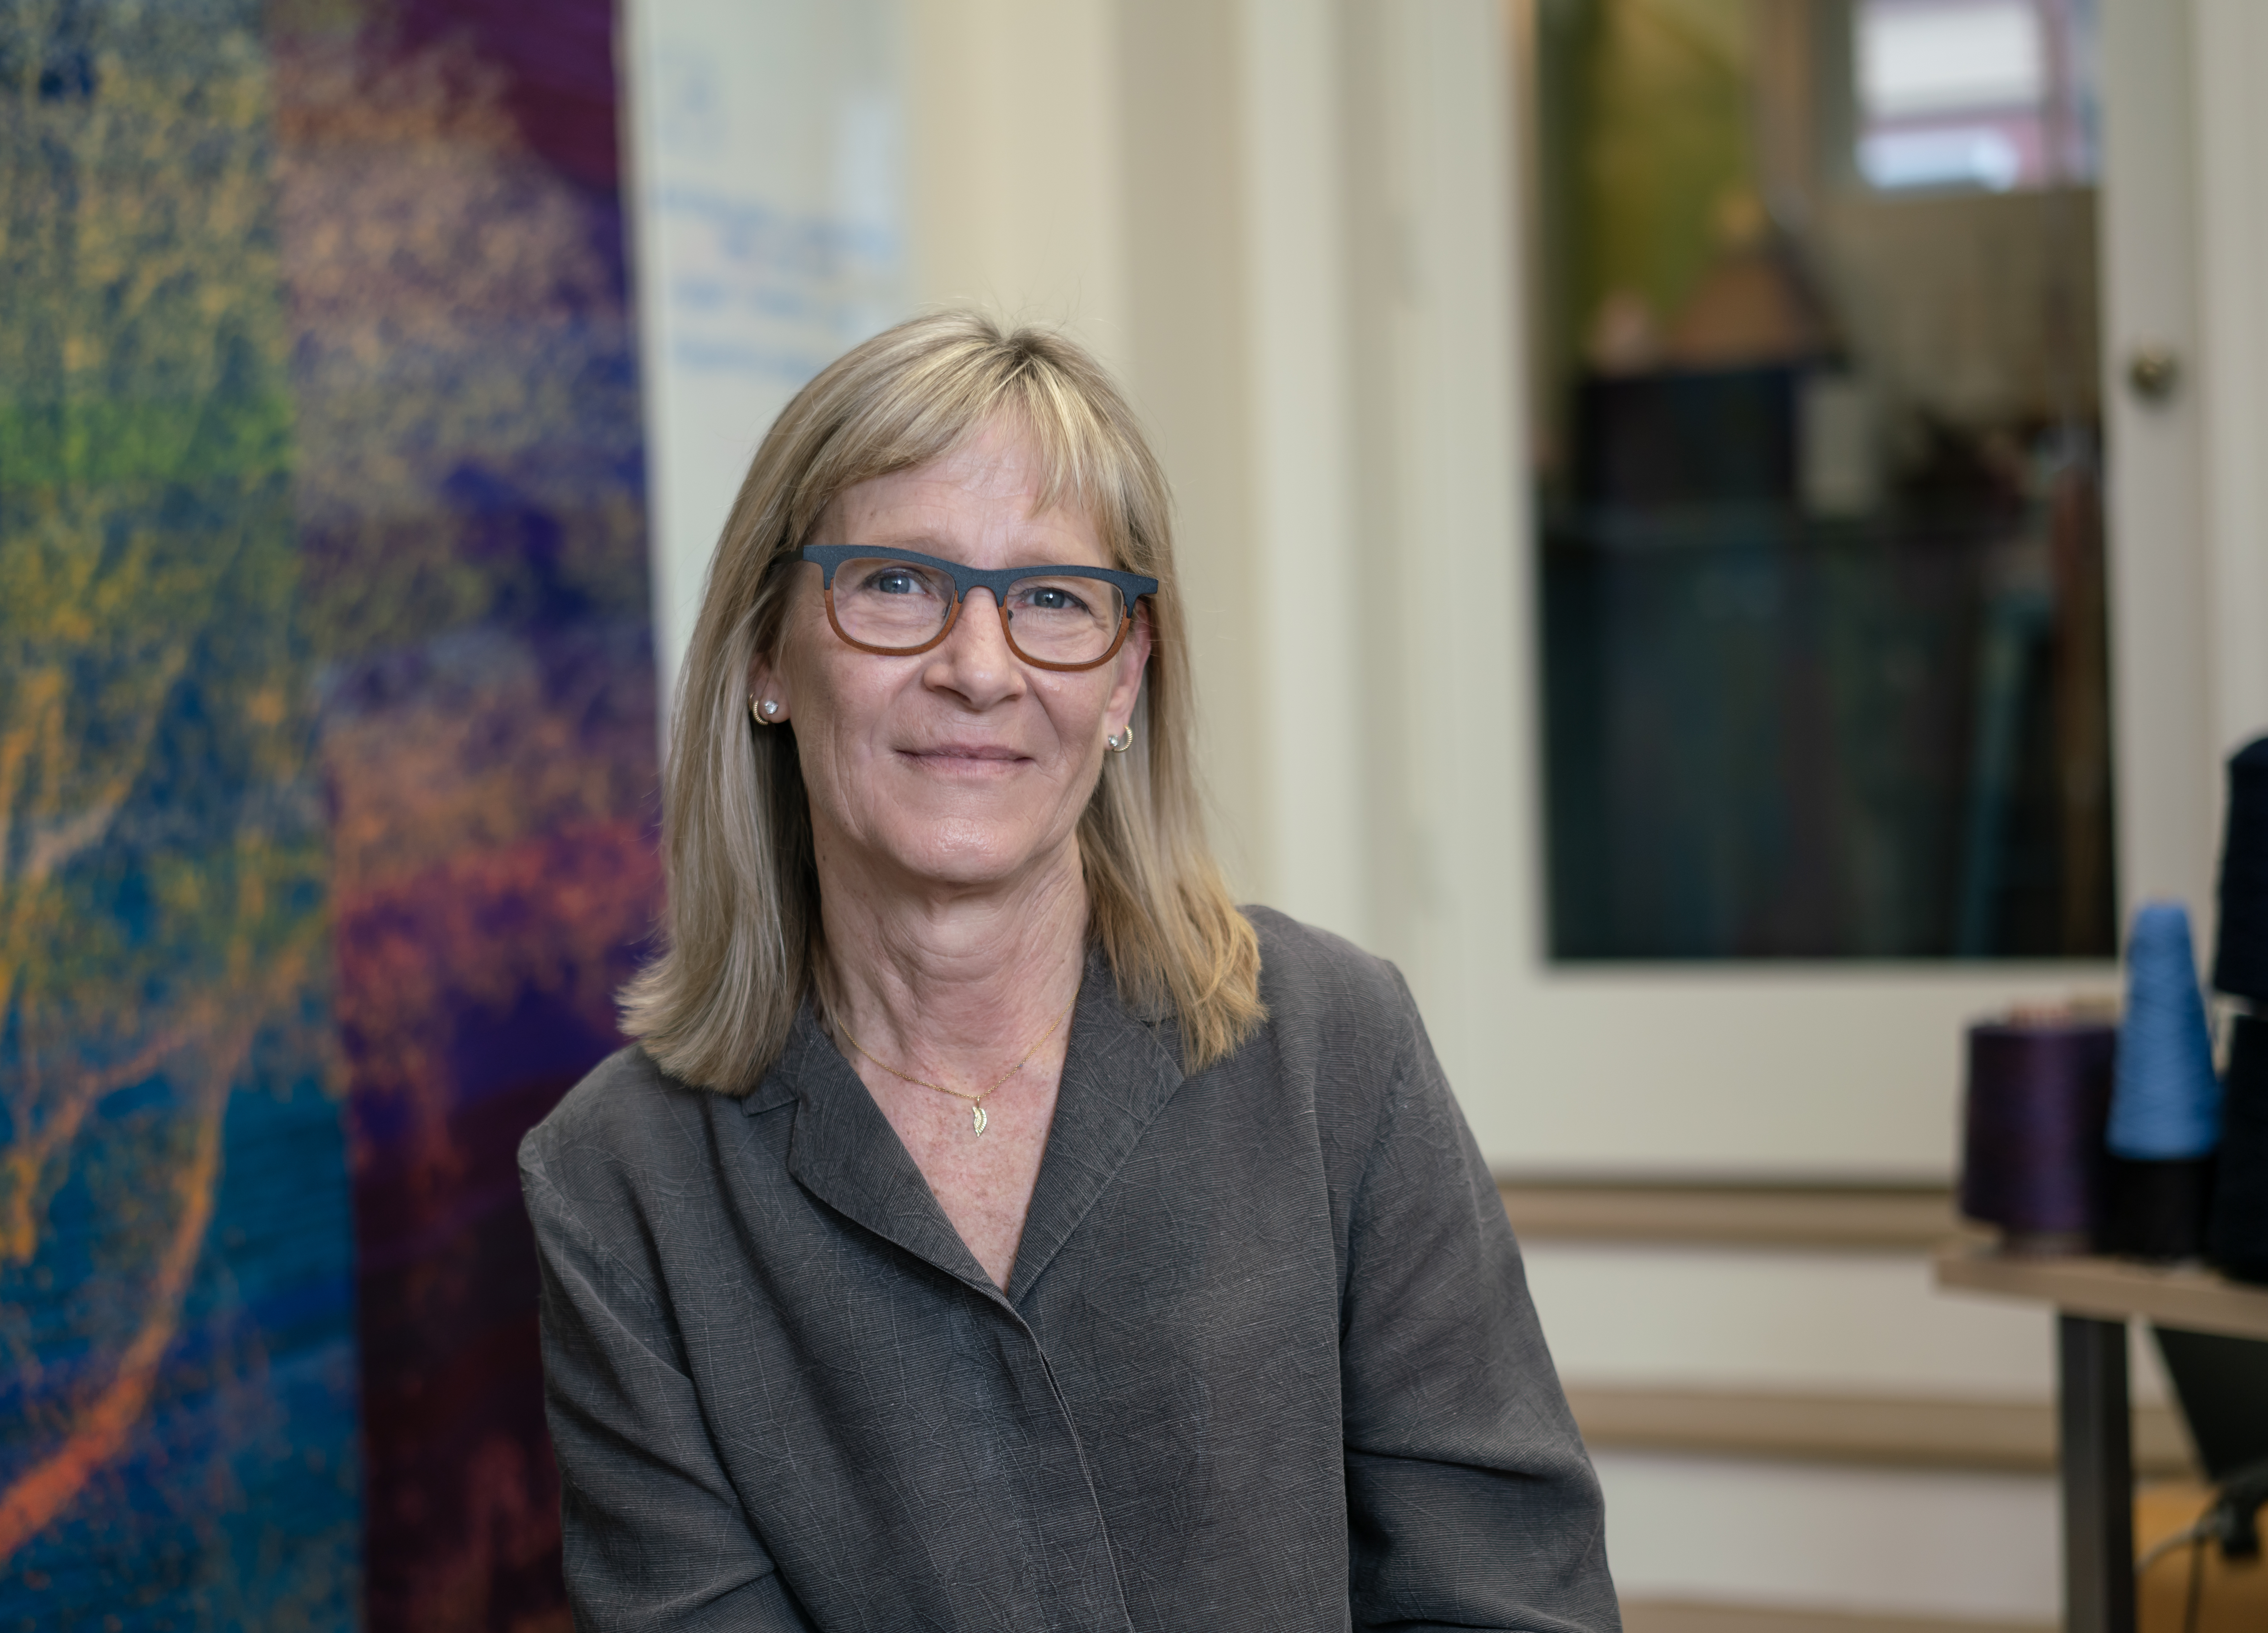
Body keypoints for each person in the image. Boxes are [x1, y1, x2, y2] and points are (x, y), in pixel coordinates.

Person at [518, 311, 1618, 1631]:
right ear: (767, 655)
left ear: (1122, 682)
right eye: (893, 582)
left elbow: (1500, 1595)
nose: (976, 669)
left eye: (1050, 600)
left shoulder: (1335, 1048)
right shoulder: (615, 1184)